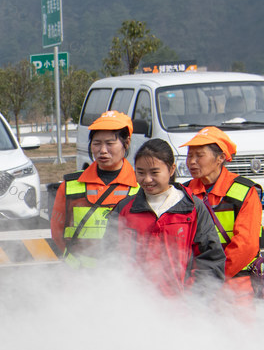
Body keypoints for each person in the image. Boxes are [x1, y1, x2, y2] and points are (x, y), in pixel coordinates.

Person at [109, 139, 225, 295]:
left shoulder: (193, 208)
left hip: (182, 307)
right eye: (140, 172)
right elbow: (109, 256)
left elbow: (211, 259)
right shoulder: (125, 209)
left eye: (154, 172)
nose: (147, 179)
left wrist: (196, 300)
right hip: (134, 304)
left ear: (171, 170)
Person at [181, 126, 263, 302]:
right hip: (194, 284)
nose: (192, 162)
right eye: (189, 155)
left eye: (199, 155)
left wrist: (212, 280)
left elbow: (246, 247)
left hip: (236, 284)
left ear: (220, 158)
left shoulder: (246, 191)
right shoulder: (183, 192)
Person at [50, 110, 139, 267]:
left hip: (123, 278)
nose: (102, 150)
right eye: (97, 143)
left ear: (127, 142)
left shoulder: (139, 187)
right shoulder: (69, 186)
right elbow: (57, 233)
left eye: (110, 143)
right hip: (78, 276)